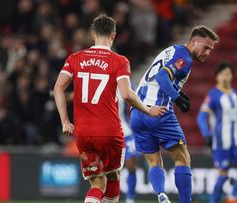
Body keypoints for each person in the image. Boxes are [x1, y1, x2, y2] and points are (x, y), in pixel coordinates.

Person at [53, 14, 166, 203]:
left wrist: (65, 121)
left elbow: (58, 88)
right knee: (113, 178)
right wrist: (148, 110)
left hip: (84, 133)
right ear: (113, 35)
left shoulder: (75, 59)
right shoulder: (119, 61)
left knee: (97, 184)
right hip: (110, 131)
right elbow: (127, 94)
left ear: (93, 34)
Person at [130, 25, 219, 203]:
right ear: (194, 41)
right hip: (158, 111)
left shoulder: (172, 50)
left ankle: (161, 195)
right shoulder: (184, 57)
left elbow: (163, 75)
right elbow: (162, 77)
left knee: (154, 161)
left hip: (137, 113)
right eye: (206, 47)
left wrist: (178, 92)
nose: (207, 53)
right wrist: (176, 98)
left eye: (210, 49)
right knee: (182, 156)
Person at [197, 62, 237, 203]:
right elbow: (201, 117)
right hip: (221, 142)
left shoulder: (234, 93)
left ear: (232, 77)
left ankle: (232, 195)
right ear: (217, 77)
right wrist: (207, 135)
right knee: (223, 176)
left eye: (228, 74)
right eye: (222, 74)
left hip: (236, 140)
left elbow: (229, 116)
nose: (225, 77)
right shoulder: (213, 95)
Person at [117, 91, 140, 203]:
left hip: (126, 133)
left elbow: (136, 104)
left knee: (131, 166)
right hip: (109, 133)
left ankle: (130, 198)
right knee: (108, 169)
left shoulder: (125, 84)